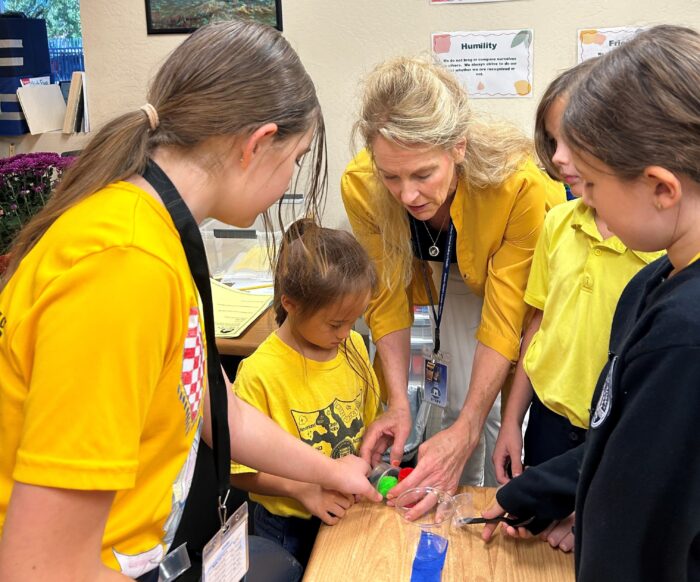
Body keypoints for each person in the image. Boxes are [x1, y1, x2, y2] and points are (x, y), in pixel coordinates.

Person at [0, 21, 380, 582]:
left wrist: (328, 470)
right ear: (256, 145)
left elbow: (214, 408)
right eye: (296, 157)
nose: (289, 180)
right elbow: (43, 569)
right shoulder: (125, 265)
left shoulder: (152, 232)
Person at [482, 25, 700, 581]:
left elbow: (648, 520)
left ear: (660, 187)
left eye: (594, 185)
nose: (584, 197)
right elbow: (620, 443)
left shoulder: (684, 336)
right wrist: (542, 489)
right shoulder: (652, 284)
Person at [341, 56, 566, 494]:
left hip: (500, 288)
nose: (407, 194)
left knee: (480, 417)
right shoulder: (361, 184)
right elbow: (385, 299)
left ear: (458, 148)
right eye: (391, 176)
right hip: (426, 286)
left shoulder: (517, 185)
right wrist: (398, 403)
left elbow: (504, 317)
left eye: (424, 174)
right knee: (430, 397)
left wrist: (469, 425)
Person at [230, 219, 381, 570]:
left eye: (354, 321)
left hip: (347, 509)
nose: (346, 334)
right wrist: (303, 489)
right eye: (335, 324)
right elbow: (237, 471)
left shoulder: (354, 346)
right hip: (287, 525)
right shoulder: (260, 372)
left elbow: (367, 427)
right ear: (291, 304)